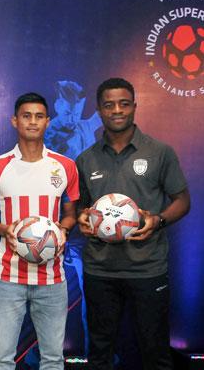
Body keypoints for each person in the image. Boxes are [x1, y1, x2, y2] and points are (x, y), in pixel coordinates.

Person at [76, 78, 190, 370]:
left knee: (155, 353)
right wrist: (82, 219)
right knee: (100, 353)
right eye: (109, 105)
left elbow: (182, 200)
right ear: (99, 110)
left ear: (134, 108)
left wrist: (158, 219)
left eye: (124, 104)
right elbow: (81, 207)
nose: (117, 110)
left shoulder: (159, 152)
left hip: (147, 268)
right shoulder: (85, 160)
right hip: (100, 270)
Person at [0, 92, 79, 369]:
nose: (32, 122)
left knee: (53, 359)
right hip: (7, 279)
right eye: (26, 116)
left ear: (47, 121)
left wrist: (63, 230)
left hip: (52, 279)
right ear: (14, 121)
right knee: (2, 359)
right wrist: (5, 229)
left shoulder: (65, 166)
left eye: (39, 116)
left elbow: (71, 215)